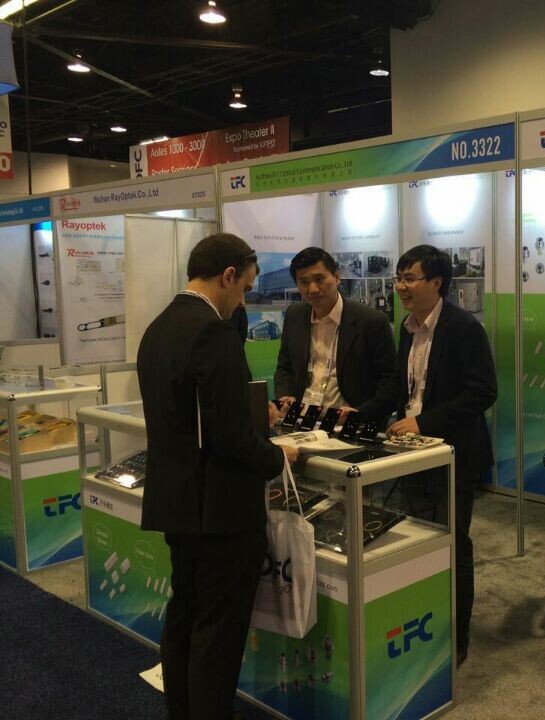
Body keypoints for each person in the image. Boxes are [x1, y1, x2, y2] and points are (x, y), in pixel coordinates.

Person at [137, 233, 299, 720]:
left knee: (185, 616)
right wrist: (278, 458)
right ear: (228, 275)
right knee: (218, 635)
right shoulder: (213, 332)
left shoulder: (158, 327)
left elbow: (193, 418)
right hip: (220, 514)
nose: (243, 301)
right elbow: (229, 437)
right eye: (245, 288)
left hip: (178, 504)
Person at [386, 244, 497, 667]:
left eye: (409, 278)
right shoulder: (407, 328)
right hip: (412, 453)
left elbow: (483, 392)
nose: (401, 286)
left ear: (436, 282)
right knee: (416, 539)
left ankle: (457, 638)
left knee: (453, 543)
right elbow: (409, 389)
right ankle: (422, 623)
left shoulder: (463, 328)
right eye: (399, 278)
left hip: (454, 454)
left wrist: (424, 422)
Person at [274, 247, 399, 425]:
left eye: (319, 279)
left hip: (348, 424)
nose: (313, 289)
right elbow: (285, 368)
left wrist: (359, 414)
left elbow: (391, 383)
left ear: (337, 277)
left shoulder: (371, 321)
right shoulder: (294, 316)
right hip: (303, 421)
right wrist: (285, 395)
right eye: (304, 282)